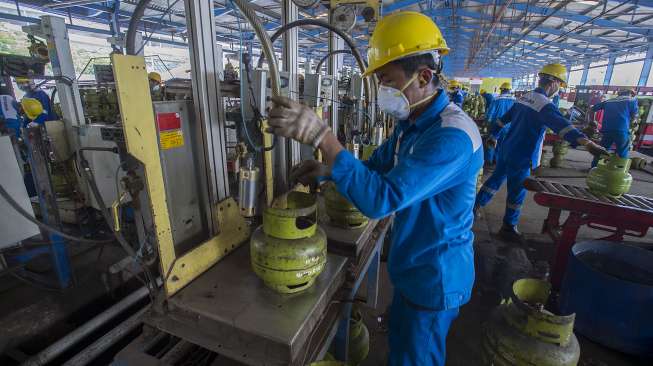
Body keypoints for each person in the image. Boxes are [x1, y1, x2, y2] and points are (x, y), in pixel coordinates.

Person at [267, 11, 482, 365]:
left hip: (434, 276)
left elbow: (382, 199)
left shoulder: (450, 137)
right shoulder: (413, 122)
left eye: (387, 81)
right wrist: (328, 170)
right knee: (401, 349)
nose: (382, 91)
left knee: (416, 357)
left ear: (424, 76)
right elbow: (376, 169)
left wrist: (324, 138)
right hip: (413, 266)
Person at [474, 63, 608, 242]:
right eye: (560, 85)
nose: (558, 90)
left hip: (507, 149)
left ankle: (474, 207)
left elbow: (503, 119)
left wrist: (493, 135)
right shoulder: (545, 105)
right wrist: (588, 144)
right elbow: (562, 127)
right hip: (522, 154)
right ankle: (508, 227)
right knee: (516, 192)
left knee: (495, 180)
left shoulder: (525, 97)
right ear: (553, 82)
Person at [588, 88, 638, 167]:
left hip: (607, 130)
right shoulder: (632, 100)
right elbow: (634, 117)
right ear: (630, 93)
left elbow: (592, 109)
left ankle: (594, 168)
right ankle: (619, 171)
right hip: (621, 130)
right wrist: (634, 123)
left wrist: (593, 121)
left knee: (602, 150)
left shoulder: (609, 101)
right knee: (622, 151)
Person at [484, 82, 515, 165]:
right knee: (502, 144)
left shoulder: (496, 100)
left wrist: (487, 124)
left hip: (496, 125)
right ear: (509, 90)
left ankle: (489, 161)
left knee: (491, 142)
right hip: (508, 126)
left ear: (501, 90)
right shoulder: (514, 101)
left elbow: (490, 114)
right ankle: (497, 161)